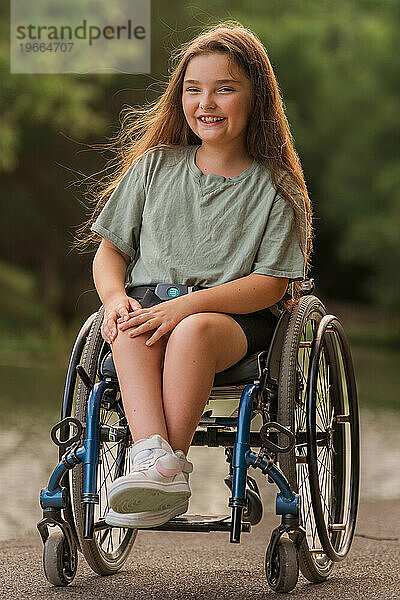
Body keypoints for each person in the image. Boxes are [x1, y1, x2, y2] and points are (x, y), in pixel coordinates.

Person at [84, 21, 313, 529]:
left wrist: (188, 305)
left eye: (224, 89)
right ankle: (153, 457)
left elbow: (272, 284)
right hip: (148, 304)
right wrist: (114, 296)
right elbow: (110, 253)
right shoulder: (154, 168)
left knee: (192, 329)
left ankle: (168, 466)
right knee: (127, 325)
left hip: (230, 319)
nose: (206, 102)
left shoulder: (276, 189)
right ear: (179, 97)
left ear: (257, 99)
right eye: (193, 89)